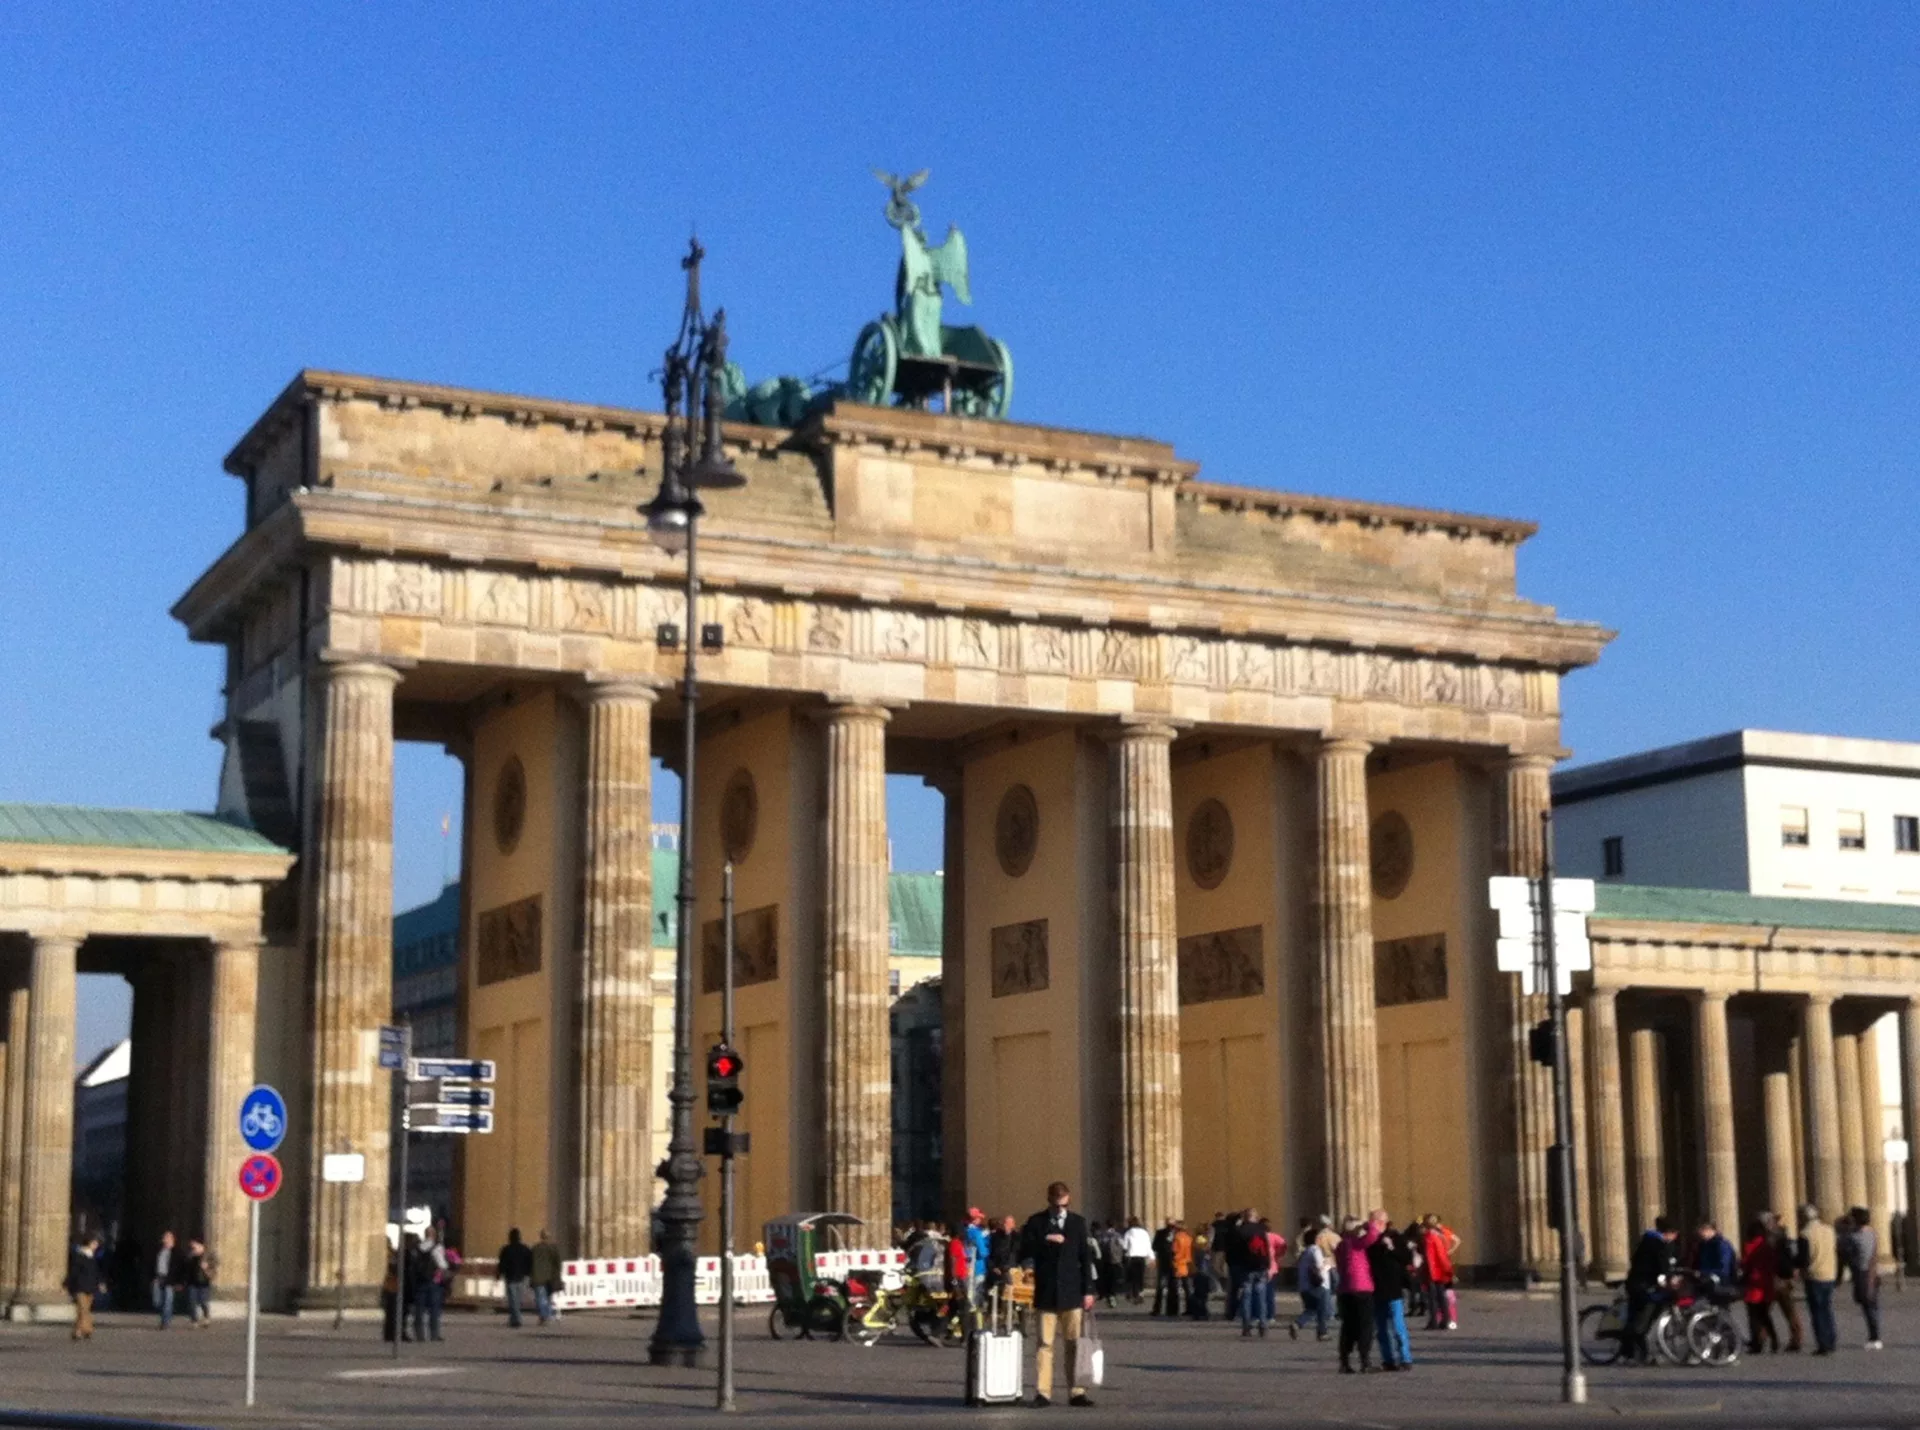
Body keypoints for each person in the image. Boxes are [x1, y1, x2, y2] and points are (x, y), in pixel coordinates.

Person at [1018, 1181, 1097, 1409]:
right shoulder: (1036, 1222)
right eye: (1057, 1205)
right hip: (1047, 1292)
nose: (1061, 1210)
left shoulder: (1077, 1222)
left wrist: (1089, 1290)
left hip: (1072, 1291)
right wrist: (1045, 1240)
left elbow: (1085, 1258)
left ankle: (1077, 1391)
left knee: (1074, 1343)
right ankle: (1043, 1392)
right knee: (1044, 1344)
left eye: (1064, 1205)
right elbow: (1024, 1250)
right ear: (1050, 1200)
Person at [1624, 1216, 1679, 1364]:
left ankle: (1632, 1352)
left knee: (1638, 1318)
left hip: (1638, 1284)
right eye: (1675, 1234)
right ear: (1669, 1232)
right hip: (1644, 1287)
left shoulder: (1648, 1240)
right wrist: (1669, 1278)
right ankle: (1639, 1354)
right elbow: (1661, 1266)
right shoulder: (1657, 1244)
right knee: (1642, 1321)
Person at [1335, 1214, 1383, 1373]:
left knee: (1348, 1326)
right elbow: (1374, 1235)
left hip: (1344, 1289)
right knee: (1365, 1326)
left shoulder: (1341, 1245)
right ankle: (1365, 1361)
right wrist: (1367, 1224)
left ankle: (1344, 1361)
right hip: (1361, 1288)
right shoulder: (1355, 1243)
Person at [1368, 1215, 1415, 1370]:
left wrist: (1391, 1248)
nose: (1371, 1225)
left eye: (1373, 1221)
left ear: (1382, 1222)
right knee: (1381, 1328)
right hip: (1376, 1289)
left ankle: (1405, 1358)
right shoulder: (1370, 1241)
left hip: (1393, 1289)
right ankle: (1388, 1359)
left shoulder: (1396, 1238)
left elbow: (1407, 1258)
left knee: (1397, 1325)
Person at [1839, 1206, 1882, 1350]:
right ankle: (1875, 1335)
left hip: (1861, 1272)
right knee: (1872, 1304)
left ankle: (1874, 1337)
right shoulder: (1871, 1233)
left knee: (1867, 1305)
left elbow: (1845, 1253)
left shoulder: (1853, 1237)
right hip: (1873, 1271)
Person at [1797, 1204, 1838, 1356]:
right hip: (1829, 1274)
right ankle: (1831, 1340)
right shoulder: (1829, 1230)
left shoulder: (1805, 1234)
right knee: (1827, 1309)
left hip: (1814, 1276)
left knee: (1817, 1312)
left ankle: (1823, 1344)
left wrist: (1798, 1269)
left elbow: (1804, 1259)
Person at [1740, 1216, 1780, 1353]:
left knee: (1753, 1317)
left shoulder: (1750, 1246)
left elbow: (1746, 1264)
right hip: (1767, 1283)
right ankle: (1774, 1339)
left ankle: (1756, 1344)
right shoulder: (1768, 1245)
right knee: (1765, 1315)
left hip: (1754, 1284)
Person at [1290, 1219, 1331, 1340]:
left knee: (1311, 1309)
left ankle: (1297, 1324)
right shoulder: (1315, 1250)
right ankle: (1322, 1332)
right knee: (1323, 1310)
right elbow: (1319, 1266)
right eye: (1319, 1237)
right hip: (1318, 1285)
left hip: (1304, 1287)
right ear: (1315, 1239)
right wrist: (1327, 1265)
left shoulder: (1304, 1252)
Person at [1422, 1214, 1460, 1330]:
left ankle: (1436, 1321)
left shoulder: (1431, 1236)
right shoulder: (1439, 1235)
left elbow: (1437, 1256)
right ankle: (1444, 1319)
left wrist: (1448, 1271)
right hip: (1439, 1271)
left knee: (1433, 1298)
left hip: (1433, 1271)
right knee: (1440, 1296)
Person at [65, 1234, 104, 1341]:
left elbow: (96, 1272)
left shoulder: (93, 1257)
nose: (96, 1246)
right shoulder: (79, 1256)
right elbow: (74, 1271)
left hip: (90, 1286)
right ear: (89, 1243)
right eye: (95, 1243)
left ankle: (77, 1331)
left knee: (86, 1309)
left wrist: (99, 1283)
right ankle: (87, 1329)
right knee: (83, 1309)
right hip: (80, 1286)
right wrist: (68, 1283)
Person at [1239, 1215, 1272, 1337]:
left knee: (1246, 1297)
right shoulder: (1261, 1229)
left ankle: (1246, 1327)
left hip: (1246, 1267)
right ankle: (1262, 1325)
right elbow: (1267, 1248)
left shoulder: (1241, 1231)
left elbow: (1236, 1250)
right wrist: (1268, 1265)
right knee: (1261, 1297)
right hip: (1261, 1266)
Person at [498, 1227, 534, 1329]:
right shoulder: (525, 1249)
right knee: (518, 1299)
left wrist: (499, 1274)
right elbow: (530, 1262)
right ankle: (515, 1318)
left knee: (512, 1299)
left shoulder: (506, 1249)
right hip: (522, 1277)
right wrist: (528, 1273)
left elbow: (502, 1264)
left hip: (510, 1277)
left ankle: (515, 1318)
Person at [1693, 1220, 1737, 1294]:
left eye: (1702, 1231)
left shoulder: (1721, 1244)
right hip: (1706, 1282)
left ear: (1709, 1230)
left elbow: (1724, 1268)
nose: (1700, 1234)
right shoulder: (1704, 1245)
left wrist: (1704, 1273)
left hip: (1721, 1284)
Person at [530, 1229, 563, 1326]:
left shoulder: (535, 1248)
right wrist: (557, 1275)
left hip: (538, 1277)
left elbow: (530, 1262)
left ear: (541, 1236)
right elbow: (558, 1264)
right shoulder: (553, 1248)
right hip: (550, 1277)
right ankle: (546, 1315)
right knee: (548, 1298)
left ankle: (544, 1316)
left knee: (540, 1298)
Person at [181, 1238, 212, 1327]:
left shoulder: (208, 1257)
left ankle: (206, 1316)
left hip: (203, 1283)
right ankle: (194, 1320)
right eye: (192, 1247)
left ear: (201, 1246)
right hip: (192, 1283)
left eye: (195, 1246)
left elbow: (212, 1273)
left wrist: (206, 1268)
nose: (193, 1249)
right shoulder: (190, 1257)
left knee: (203, 1301)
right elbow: (185, 1269)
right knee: (192, 1302)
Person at [1151, 1219, 1179, 1316]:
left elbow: (1154, 1247)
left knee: (1166, 1287)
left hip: (1168, 1264)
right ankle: (1168, 1310)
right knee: (1168, 1287)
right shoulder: (1174, 1234)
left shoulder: (1175, 1234)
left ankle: (1162, 1309)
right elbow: (1154, 1246)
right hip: (1170, 1263)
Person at [1122, 1216, 1152, 1305]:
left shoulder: (1128, 1233)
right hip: (1142, 1257)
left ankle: (1135, 1295)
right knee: (1140, 1277)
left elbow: (1125, 1246)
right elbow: (1148, 1245)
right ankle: (1141, 1294)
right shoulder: (1144, 1233)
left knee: (1133, 1277)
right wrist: (1152, 1257)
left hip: (1132, 1257)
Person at [965, 1208, 992, 1308]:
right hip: (978, 1265)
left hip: (967, 1264)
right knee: (977, 1290)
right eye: (979, 1218)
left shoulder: (966, 1230)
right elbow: (983, 1252)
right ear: (974, 1219)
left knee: (969, 1289)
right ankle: (974, 1311)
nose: (980, 1220)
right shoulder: (976, 1233)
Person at [1169, 1219, 1194, 1318]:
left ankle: (1174, 1309)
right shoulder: (1188, 1238)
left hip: (1177, 1263)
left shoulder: (1177, 1238)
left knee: (1175, 1288)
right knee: (1187, 1288)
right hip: (1186, 1263)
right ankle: (1190, 1308)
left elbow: (1174, 1251)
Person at [152, 1230, 176, 1330]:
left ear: (172, 1240)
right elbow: (153, 1263)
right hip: (159, 1277)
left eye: (167, 1238)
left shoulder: (175, 1252)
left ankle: (165, 1322)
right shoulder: (159, 1250)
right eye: (164, 1238)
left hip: (169, 1278)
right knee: (157, 1301)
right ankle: (164, 1318)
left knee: (168, 1301)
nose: (164, 1240)